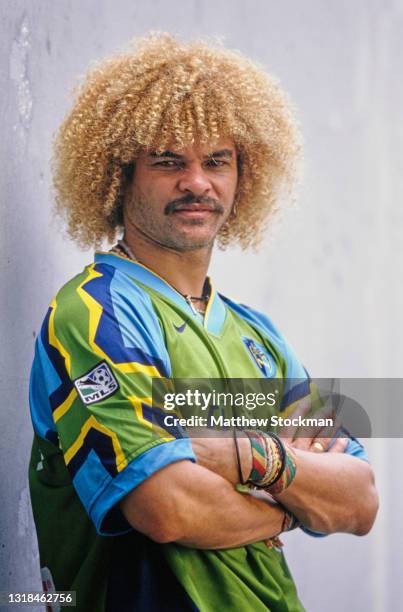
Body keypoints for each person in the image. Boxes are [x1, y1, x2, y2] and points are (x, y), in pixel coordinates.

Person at [28, 33, 378, 611]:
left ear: (245, 175)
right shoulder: (95, 314)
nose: (197, 182)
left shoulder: (259, 336)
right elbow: (167, 509)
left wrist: (248, 457)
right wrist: (292, 494)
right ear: (120, 176)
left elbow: (360, 501)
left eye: (217, 161)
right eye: (168, 162)